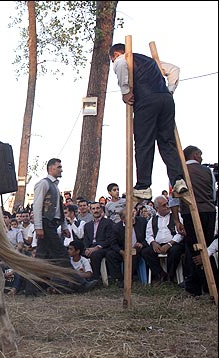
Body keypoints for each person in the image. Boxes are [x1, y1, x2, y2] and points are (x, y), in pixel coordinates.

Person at [109, 43, 188, 200]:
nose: (113, 62)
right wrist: (170, 90)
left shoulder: (123, 59)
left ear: (116, 54)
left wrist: (125, 92)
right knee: (167, 142)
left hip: (146, 101)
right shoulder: (151, 61)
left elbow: (121, 65)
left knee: (144, 142)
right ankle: (178, 180)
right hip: (165, 100)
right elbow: (174, 70)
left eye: (112, 59)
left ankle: (144, 186)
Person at [33, 158, 98, 293]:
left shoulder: (55, 186)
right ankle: (80, 284)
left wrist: (64, 227)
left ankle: (32, 289)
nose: (61, 169)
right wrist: (38, 226)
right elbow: (37, 206)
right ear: (51, 168)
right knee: (62, 255)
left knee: (40, 257)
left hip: (52, 224)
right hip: (46, 224)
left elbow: (59, 210)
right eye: (59, 167)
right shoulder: (43, 184)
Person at [170, 146, 218, 296]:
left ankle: (196, 287)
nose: (202, 158)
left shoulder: (178, 172)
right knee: (205, 247)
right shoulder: (208, 171)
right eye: (201, 155)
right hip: (209, 212)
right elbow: (213, 195)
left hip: (190, 213)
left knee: (195, 250)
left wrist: (177, 220)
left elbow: (174, 199)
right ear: (196, 155)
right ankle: (209, 285)